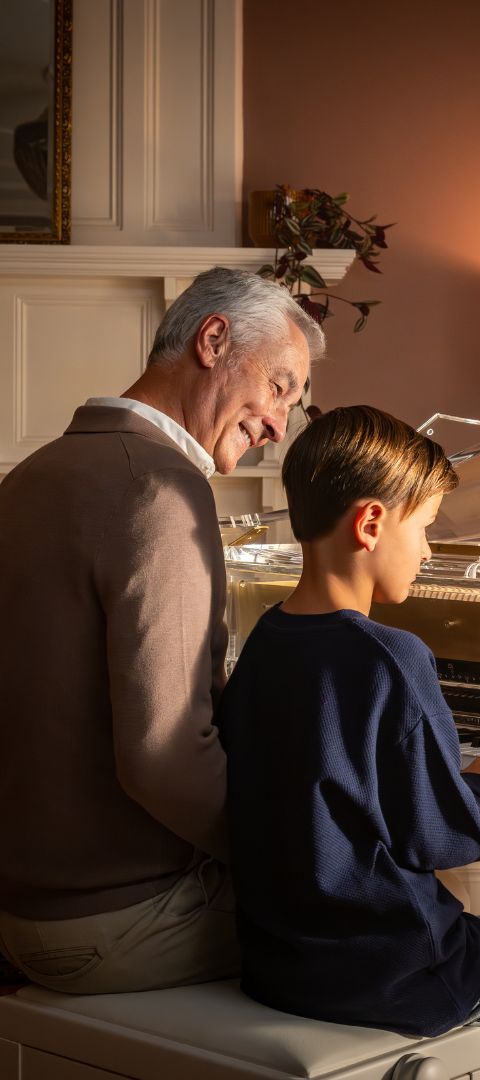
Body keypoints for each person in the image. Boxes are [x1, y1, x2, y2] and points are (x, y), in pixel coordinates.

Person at [218, 405, 480, 1080]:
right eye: (425, 528)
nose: (427, 552)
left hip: (283, 962)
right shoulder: (392, 656)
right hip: (396, 969)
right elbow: (440, 839)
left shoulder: (264, 644)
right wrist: (476, 786)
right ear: (371, 523)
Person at [0, 267, 324, 993]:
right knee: (417, 919)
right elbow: (165, 755)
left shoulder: (32, 475)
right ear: (213, 340)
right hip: (118, 922)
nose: (277, 424)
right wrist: (303, 856)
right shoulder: (161, 488)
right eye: (278, 387)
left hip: (20, 907)